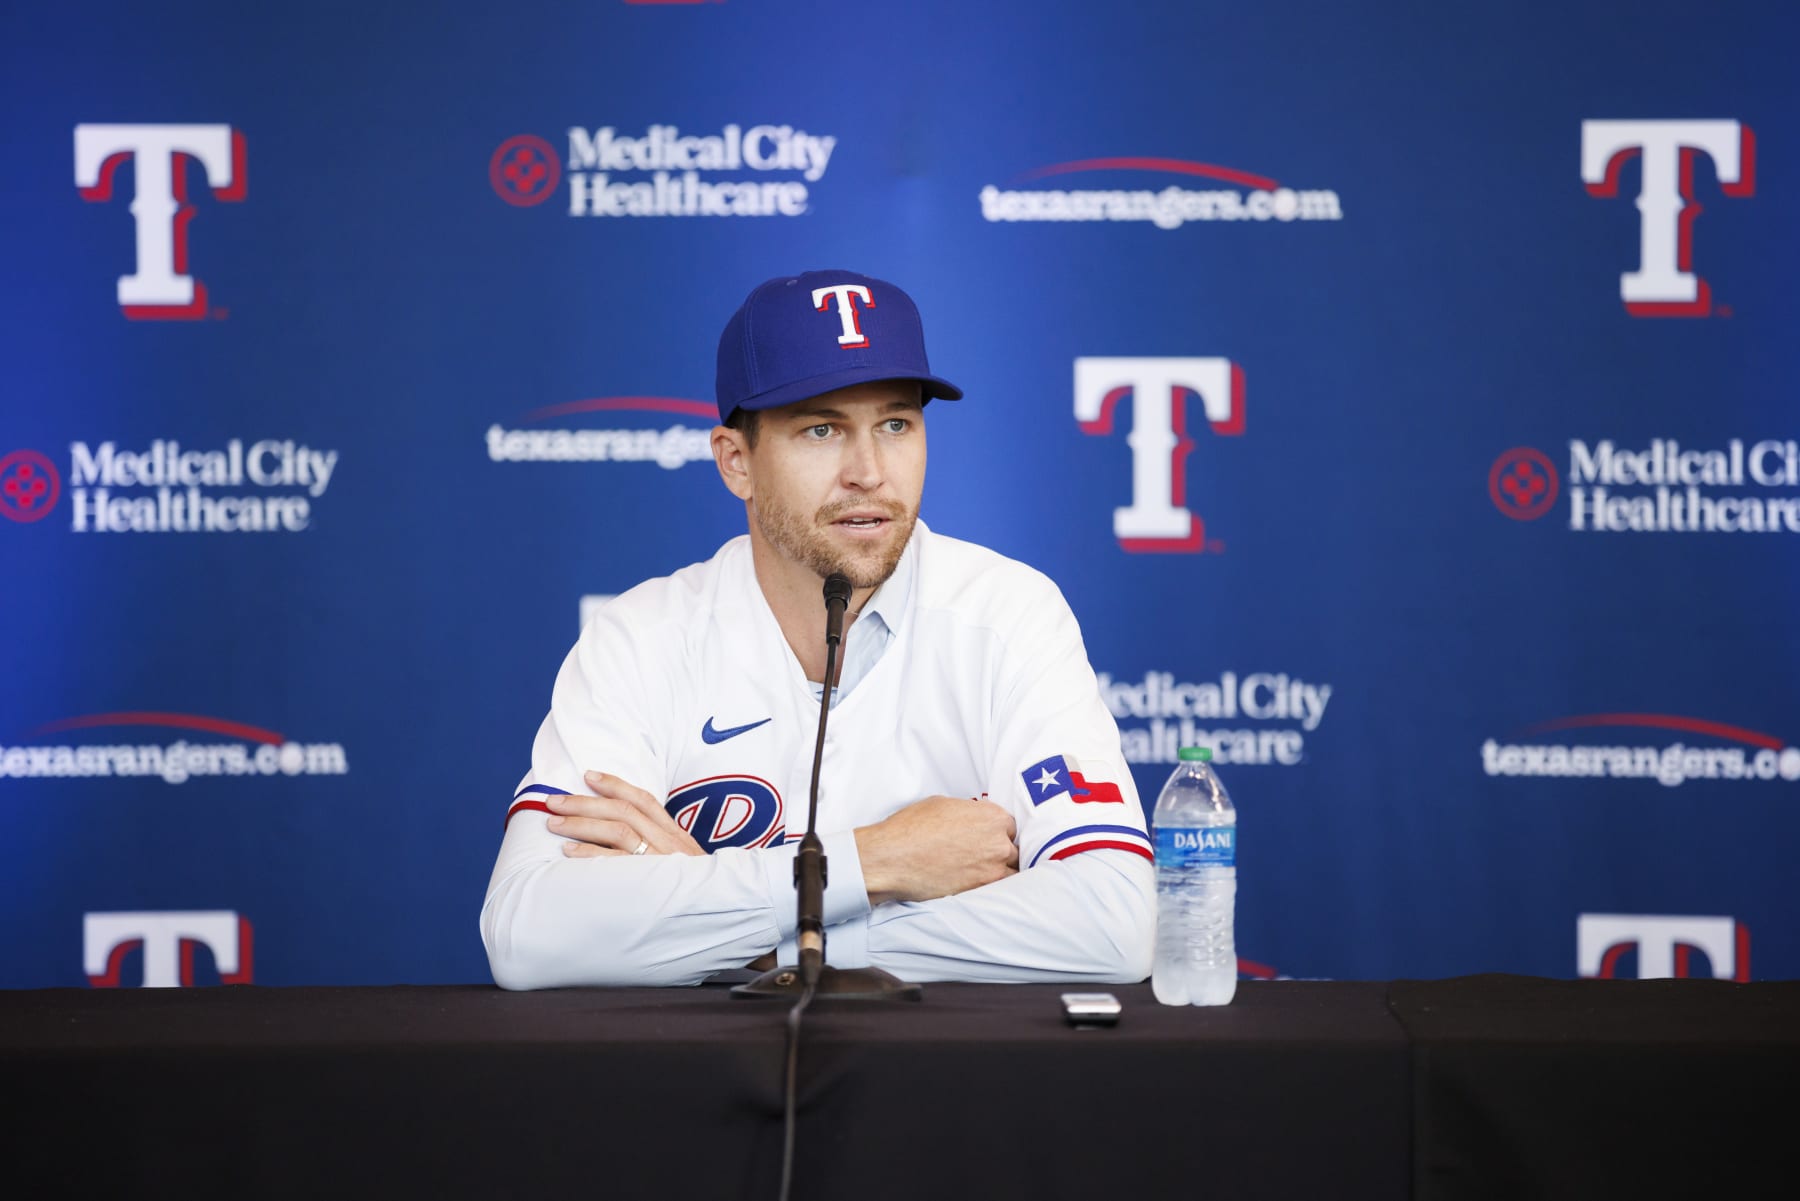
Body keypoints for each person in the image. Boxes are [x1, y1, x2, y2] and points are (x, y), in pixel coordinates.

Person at [481, 270, 1154, 989]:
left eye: (896, 424)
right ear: (736, 461)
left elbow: (1115, 922)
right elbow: (527, 932)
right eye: (822, 429)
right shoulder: (641, 637)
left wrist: (769, 940)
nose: (868, 471)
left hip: (951, 1093)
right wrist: (876, 861)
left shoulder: (1007, 614)